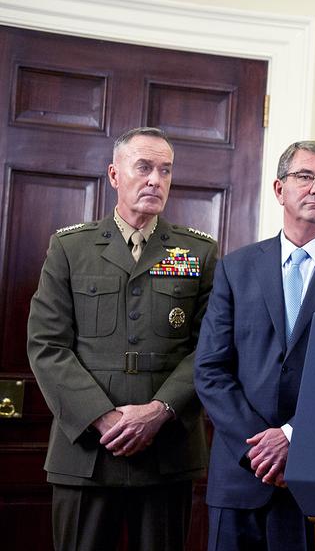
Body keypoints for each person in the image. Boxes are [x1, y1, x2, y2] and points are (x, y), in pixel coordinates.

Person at [194, 140, 315, 551]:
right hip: (240, 474)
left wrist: (292, 435)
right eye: (305, 177)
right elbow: (211, 370)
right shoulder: (236, 267)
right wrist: (260, 445)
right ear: (278, 188)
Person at [27, 127, 218, 551]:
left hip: (165, 451)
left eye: (165, 171)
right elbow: (47, 344)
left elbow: (209, 348)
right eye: (144, 167)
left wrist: (159, 411)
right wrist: (102, 417)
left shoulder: (198, 252)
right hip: (87, 453)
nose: (155, 179)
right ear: (115, 175)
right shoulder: (70, 248)